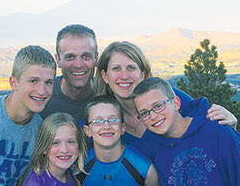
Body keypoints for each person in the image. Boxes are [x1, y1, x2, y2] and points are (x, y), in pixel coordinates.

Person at [94, 41, 238, 160]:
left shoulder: (167, 98)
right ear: (105, 76)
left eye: (131, 68)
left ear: (142, 74)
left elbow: (211, 133)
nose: (124, 76)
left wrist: (230, 125)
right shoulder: (102, 118)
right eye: (116, 68)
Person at [132, 77, 240, 185]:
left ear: (176, 103)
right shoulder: (158, 157)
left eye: (158, 106)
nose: (153, 116)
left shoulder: (218, 131)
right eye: (144, 113)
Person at [0, 45, 56, 185]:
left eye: (48, 82)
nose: (42, 91)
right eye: (33, 81)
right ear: (14, 83)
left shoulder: (40, 130)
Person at [77, 95, 159, 185]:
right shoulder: (78, 168)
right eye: (98, 122)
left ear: (123, 128)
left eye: (113, 120)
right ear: (87, 130)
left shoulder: (145, 170)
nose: (107, 126)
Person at [40, 24, 98, 127]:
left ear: (96, 58)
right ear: (58, 60)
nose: (79, 65)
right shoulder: (42, 97)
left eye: (86, 56)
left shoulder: (109, 95)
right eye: (70, 57)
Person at [19, 113, 88, 186]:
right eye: (55, 143)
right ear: (44, 148)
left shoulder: (71, 176)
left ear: (79, 145)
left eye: (70, 142)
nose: (64, 150)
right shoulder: (35, 183)